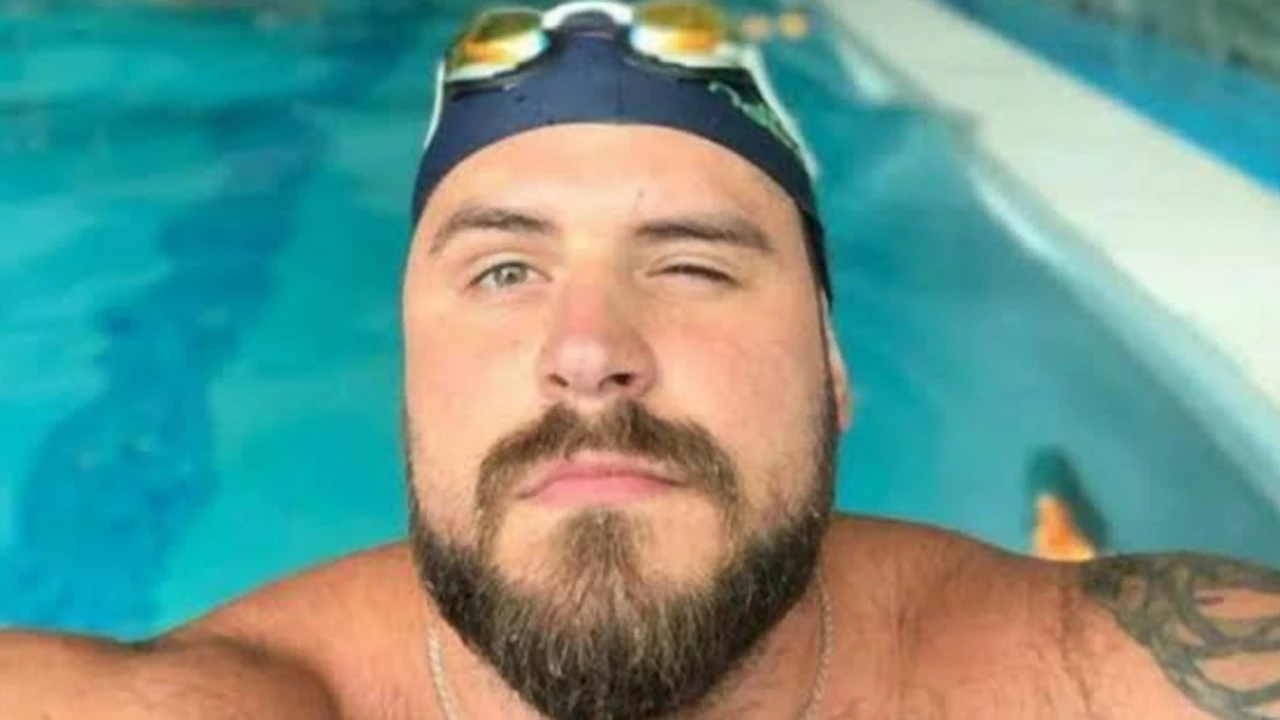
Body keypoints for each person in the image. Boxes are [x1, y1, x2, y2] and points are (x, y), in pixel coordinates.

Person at [3, 2, 1279, 718]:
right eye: (503, 271)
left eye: (690, 265)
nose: (588, 353)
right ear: (406, 385)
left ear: (834, 373)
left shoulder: (1100, 682)